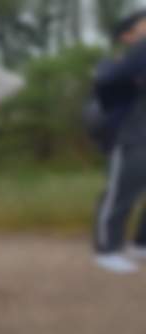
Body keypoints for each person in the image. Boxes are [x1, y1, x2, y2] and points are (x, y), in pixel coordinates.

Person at [92, 9, 146, 273]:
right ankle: (107, 248)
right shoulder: (120, 60)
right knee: (120, 192)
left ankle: (140, 243)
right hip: (130, 136)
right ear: (127, 34)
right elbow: (104, 89)